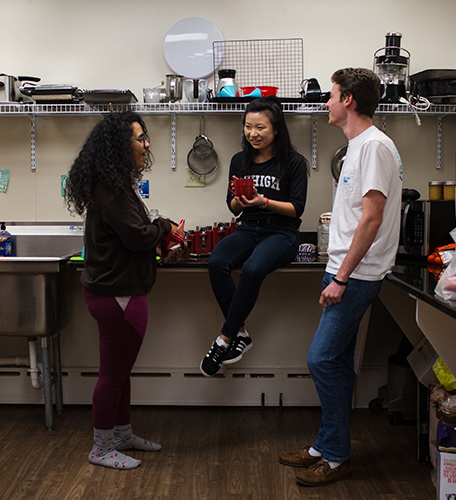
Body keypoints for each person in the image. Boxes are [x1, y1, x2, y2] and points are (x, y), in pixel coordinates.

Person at [279, 68, 403, 486]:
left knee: (322, 358)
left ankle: (334, 456)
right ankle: (325, 445)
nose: (326, 103)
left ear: (348, 99)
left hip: (355, 274)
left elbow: (371, 219)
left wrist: (342, 277)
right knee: (338, 361)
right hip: (343, 270)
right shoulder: (357, 147)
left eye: (331, 95)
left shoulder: (374, 147)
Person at [66, 112, 181, 470]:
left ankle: (121, 433)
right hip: (117, 294)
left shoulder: (113, 185)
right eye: (140, 138)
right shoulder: (113, 190)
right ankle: (101, 448)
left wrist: (155, 232)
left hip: (117, 290)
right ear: (120, 147)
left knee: (120, 371)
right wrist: (163, 226)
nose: (147, 145)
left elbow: (132, 234)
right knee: (113, 374)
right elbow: (138, 235)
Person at [200, 96, 308, 377]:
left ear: (276, 129)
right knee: (217, 262)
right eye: (248, 127)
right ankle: (241, 333)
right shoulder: (240, 161)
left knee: (252, 269)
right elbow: (232, 206)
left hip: (282, 232)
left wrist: (264, 201)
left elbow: (297, 208)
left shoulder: (294, 163)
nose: (253, 134)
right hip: (248, 227)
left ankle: (224, 338)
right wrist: (241, 199)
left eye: (260, 127)